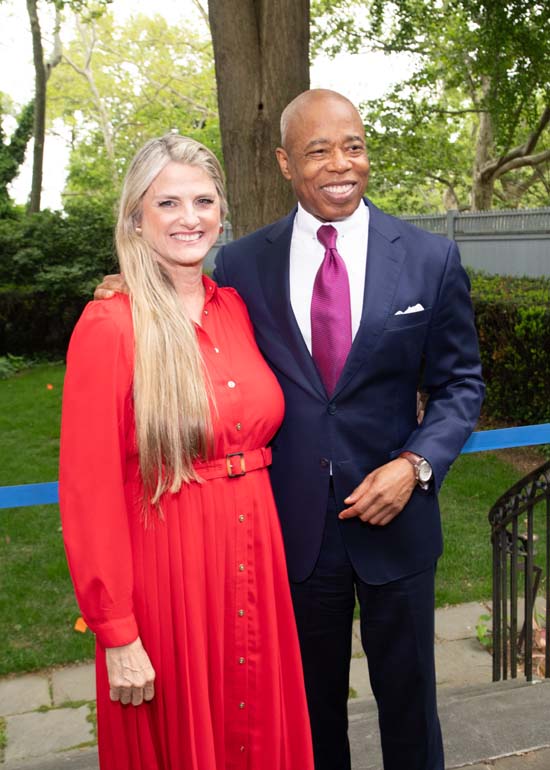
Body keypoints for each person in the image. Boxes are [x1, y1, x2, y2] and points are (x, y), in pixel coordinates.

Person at [96, 89, 484, 770]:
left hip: (398, 524)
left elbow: (461, 385)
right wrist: (125, 287)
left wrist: (416, 464)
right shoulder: (242, 265)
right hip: (288, 533)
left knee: (412, 706)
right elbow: (188, 315)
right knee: (306, 715)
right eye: (318, 150)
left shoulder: (430, 258)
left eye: (354, 146)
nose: (342, 164)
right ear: (284, 163)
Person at [59, 134, 314, 770]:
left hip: (255, 556)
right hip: (168, 575)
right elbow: (89, 495)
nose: (190, 217)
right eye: (167, 203)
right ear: (135, 219)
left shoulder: (236, 308)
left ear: (222, 210)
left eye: (203, 200)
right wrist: (117, 632)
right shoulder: (112, 325)